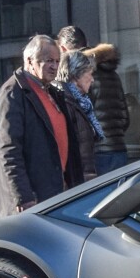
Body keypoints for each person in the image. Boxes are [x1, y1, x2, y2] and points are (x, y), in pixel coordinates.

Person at [0, 35, 83, 217]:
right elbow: (8, 150)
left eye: (58, 61)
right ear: (29, 61)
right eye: (49, 61)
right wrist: (23, 196)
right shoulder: (13, 92)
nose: (55, 66)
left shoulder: (51, 91)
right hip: (32, 200)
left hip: (56, 192)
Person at [53, 50, 103, 181]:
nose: (92, 80)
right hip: (77, 179)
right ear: (76, 75)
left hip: (84, 176)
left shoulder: (80, 101)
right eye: (90, 74)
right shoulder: (65, 102)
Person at [88, 43, 131, 173]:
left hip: (99, 150)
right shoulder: (115, 77)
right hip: (119, 147)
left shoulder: (90, 77)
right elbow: (125, 118)